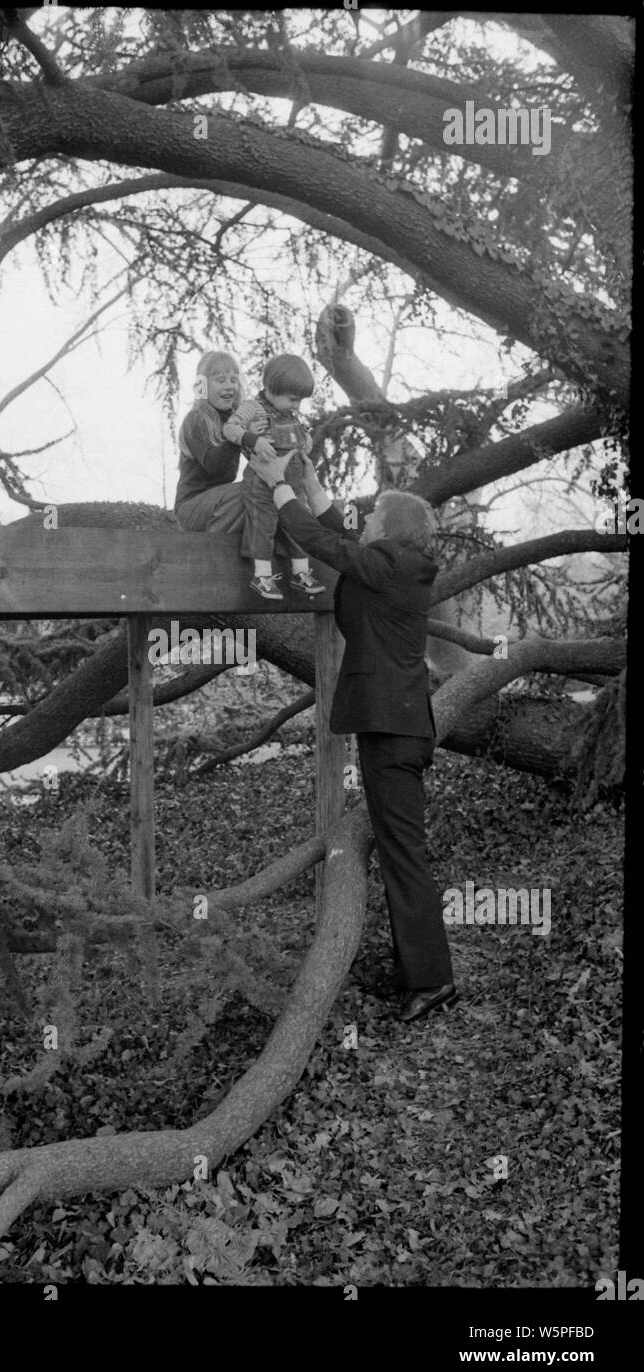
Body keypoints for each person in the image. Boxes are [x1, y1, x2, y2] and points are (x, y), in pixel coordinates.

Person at [247, 451, 458, 1024]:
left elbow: (323, 542)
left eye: (372, 518)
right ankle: (419, 969)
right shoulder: (397, 565)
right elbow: (342, 536)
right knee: (400, 851)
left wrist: (277, 487)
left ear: (390, 533)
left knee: (404, 855)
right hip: (397, 726)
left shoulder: (387, 566)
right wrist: (311, 482)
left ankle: (433, 979)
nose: (363, 522)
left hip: (393, 731)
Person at [173, 349, 312, 580]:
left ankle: (277, 550)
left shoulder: (237, 419)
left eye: (233, 380)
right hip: (193, 506)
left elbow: (261, 459)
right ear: (203, 386)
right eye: (220, 380)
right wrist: (240, 437)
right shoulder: (197, 419)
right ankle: (215, 550)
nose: (229, 386)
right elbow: (214, 465)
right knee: (250, 489)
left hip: (222, 503)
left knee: (269, 488)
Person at [223, 353, 325, 601]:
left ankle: (301, 573)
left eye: (299, 401)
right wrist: (252, 439)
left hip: (291, 481)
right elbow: (230, 427)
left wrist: (306, 440)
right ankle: (262, 576)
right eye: (293, 399)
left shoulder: (289, 413)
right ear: (271, 388)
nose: (296, 406)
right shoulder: (253, 408)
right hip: (262, 481)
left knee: (298, 524)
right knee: (263, 525)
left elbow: (294, 439)